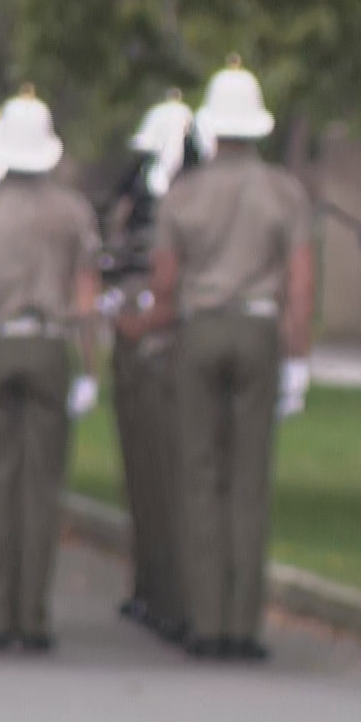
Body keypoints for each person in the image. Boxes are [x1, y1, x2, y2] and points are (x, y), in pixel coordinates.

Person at [120, 58, 315, 661]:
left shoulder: (183, 194)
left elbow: (166, 285)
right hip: (258, 328)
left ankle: (205, 621)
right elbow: (300, 282)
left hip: (199, 329)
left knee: (199, 477)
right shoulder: (285, 191)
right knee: (249, 480)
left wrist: (144, 327)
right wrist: (298, 352)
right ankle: (242, 624)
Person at [0, 88, 101, 652]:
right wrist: (89, 367)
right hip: (47, 346)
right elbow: (86, 295)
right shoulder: (73, 212)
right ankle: (31, 614)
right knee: (39, 487)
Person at [110, 93, 204, 646]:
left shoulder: (170, 207)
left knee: (162, 481)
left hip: (157, 344)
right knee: (156, 480)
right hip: (162, 343)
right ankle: (159, 589)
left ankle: (173, 595)